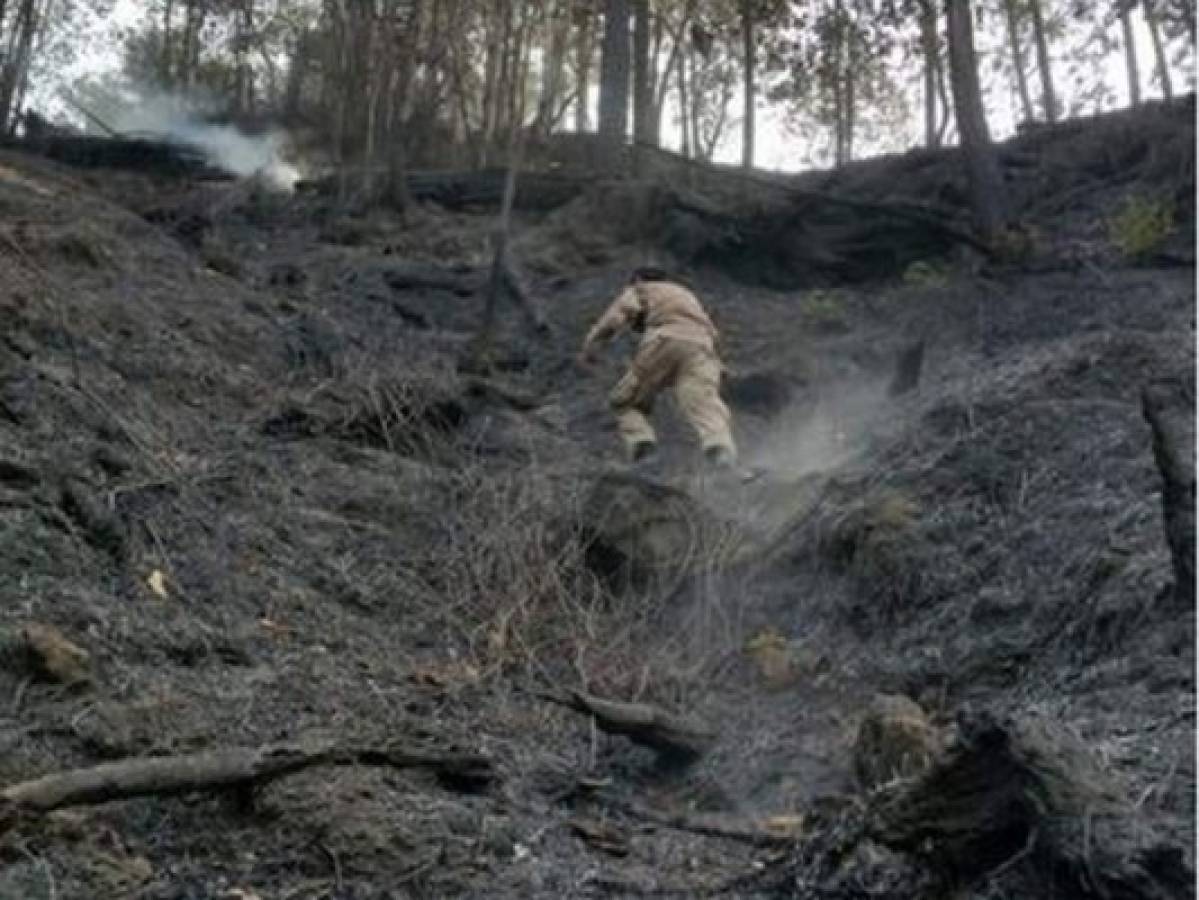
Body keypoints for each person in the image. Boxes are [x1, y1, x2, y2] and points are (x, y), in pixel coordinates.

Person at [578, 267, 737, 468]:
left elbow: (616, 317)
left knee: (624, 401)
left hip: (664, 341)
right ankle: (719, 450)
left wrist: (590, 347)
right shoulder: (687, 296)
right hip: (702, 348)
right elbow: (713, 334)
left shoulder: (641, 289)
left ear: (638, 280)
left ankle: (643, 448)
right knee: (702, 402)